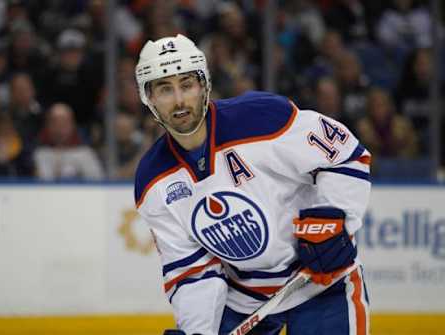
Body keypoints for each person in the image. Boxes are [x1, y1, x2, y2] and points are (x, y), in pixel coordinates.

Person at [134, 34, 371, 335]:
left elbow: (345, 154)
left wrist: (333, 218)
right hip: (244, 300)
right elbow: (192, 271)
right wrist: (198, 332)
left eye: (187, 85)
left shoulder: (262, 117)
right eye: (165, 89)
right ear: (148, 98)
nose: (179, 100)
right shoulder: (152, 181)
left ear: (204, 85)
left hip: (321, 282)